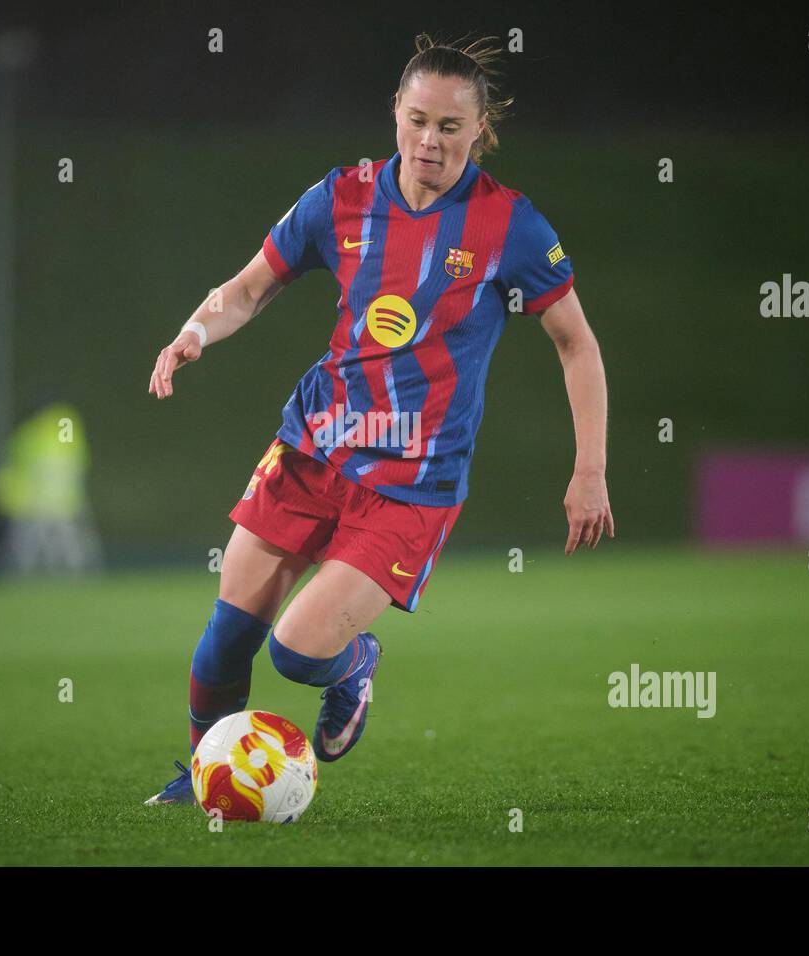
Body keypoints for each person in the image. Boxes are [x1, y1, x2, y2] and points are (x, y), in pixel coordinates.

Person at [145, 34, 614, 805]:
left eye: (451, 128)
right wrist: (195, 331)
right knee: (226, 636)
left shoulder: (511, 227)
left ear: (480, 130)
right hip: (313, 448)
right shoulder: (341, 197)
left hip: (411, 485)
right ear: (395, 112)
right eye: (417, 120)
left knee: (296, 653)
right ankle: (204, 782)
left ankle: (355, 666)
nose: (430, 141)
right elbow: (251, 287)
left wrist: (589, 469)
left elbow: (577, 346)